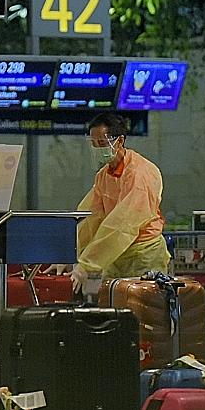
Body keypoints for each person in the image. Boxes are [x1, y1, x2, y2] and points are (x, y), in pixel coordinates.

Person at [68, 113, 171, 294]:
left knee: (144, 311)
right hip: (115, 254)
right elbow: (90, 218)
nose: (97, 148)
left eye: (102, 143)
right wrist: (68, 251)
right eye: (94, 144)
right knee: (114, 312)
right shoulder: (104, 176)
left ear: (120, 141)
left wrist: (86, 264)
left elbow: (122, 225)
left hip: (143, 255)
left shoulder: (140, 173)